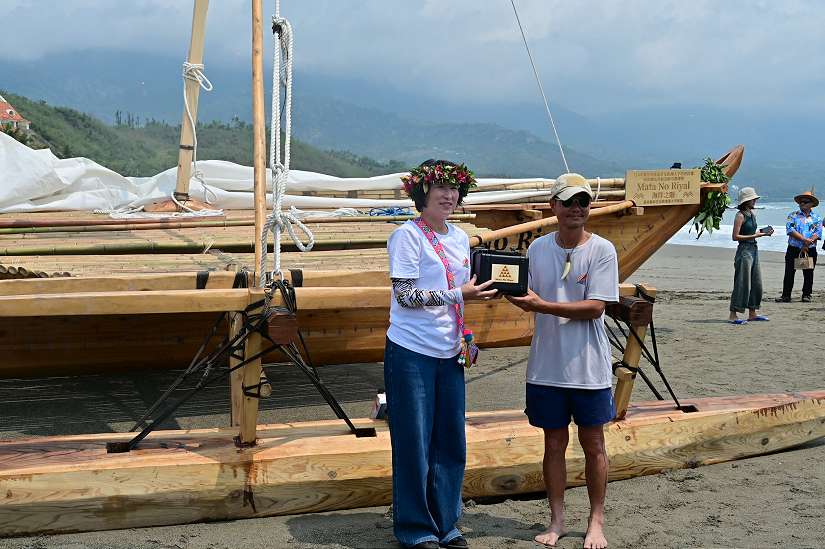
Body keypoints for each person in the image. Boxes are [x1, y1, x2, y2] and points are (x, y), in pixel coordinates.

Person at [384, 159, 497, 549]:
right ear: (422, 194)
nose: (449, 196)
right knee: (413, 440)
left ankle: (446, 523)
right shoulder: (406, 236)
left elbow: (464, 288)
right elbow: (406, 296)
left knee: (450, 439)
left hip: (451, 350)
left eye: (455, 190)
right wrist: (459, 294)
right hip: (411, 350)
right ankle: (416, 529)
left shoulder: (460, 237)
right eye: (441, 189)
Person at [506, 173, 618, 549]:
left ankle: (596, 522)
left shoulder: (603, 249)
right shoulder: (537, 249)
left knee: (594, 444)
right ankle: (556, 521)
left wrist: (540, 305)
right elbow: (525, 292)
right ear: (553, 206)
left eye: (583, 202)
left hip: (589, 367)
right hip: (546, 366)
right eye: (568, 201)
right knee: (552, 443)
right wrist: (501, 288)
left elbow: (595, 308)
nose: (576, 209)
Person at [728, 187, 772, 324]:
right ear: (746, 201)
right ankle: (733, 315)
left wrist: (763, 232)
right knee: (742, 282)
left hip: (753, 249)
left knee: (756, 282)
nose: (755, 201)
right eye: (753, 199)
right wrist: (756, 235)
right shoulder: (740, 215)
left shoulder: (752, 214)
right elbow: (735, 237)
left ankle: (752, 313)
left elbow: (751, 231)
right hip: (744, 250)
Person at [775, 189, 822, 303]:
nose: (802, 204)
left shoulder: (817, 217)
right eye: (800, 202)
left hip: (809, 249)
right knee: (789, 272)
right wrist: (803, 239)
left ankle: (806, 295)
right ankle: (786, 295)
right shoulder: (793, 215)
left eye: (805, 202)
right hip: (793, 248)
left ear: (811, 204)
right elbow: (790, 229)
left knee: (808, 273)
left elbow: (818, 232)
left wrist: (808, 241)